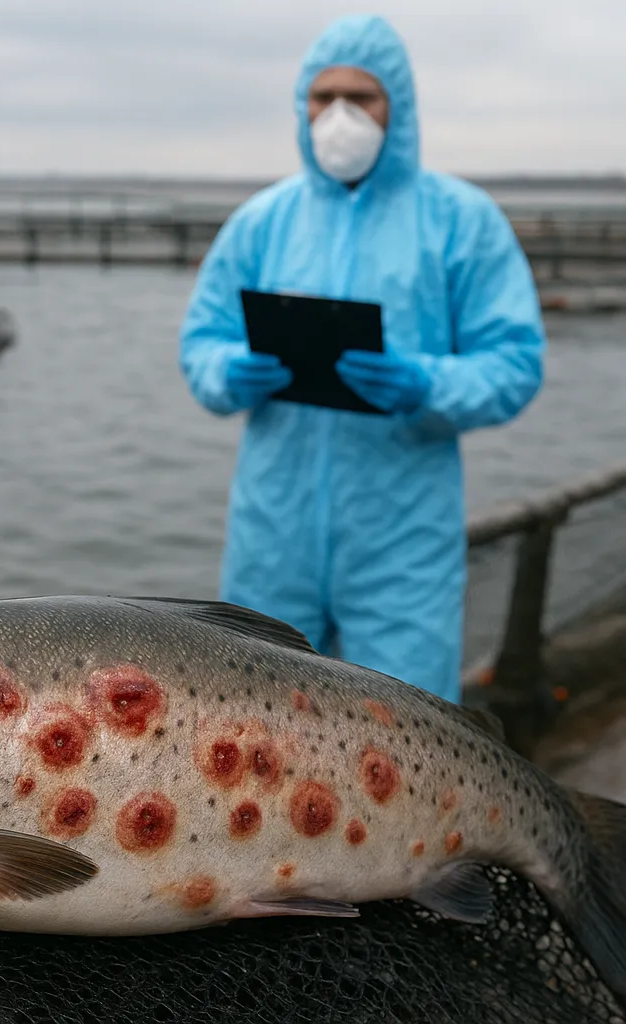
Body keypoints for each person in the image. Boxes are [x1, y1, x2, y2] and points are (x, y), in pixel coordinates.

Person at [178, 14, 546, 704]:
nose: (340, 116)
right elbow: (201, 342)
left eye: (362, 98)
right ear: (301, 107)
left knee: (406, 727)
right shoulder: (262, 223)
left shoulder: (460, 222)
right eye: (324, 98)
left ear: (397, 108)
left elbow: (515, 361)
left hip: (403, 537)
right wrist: (230, 371)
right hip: (272, 533)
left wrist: (426, 383)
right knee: (258, 720)